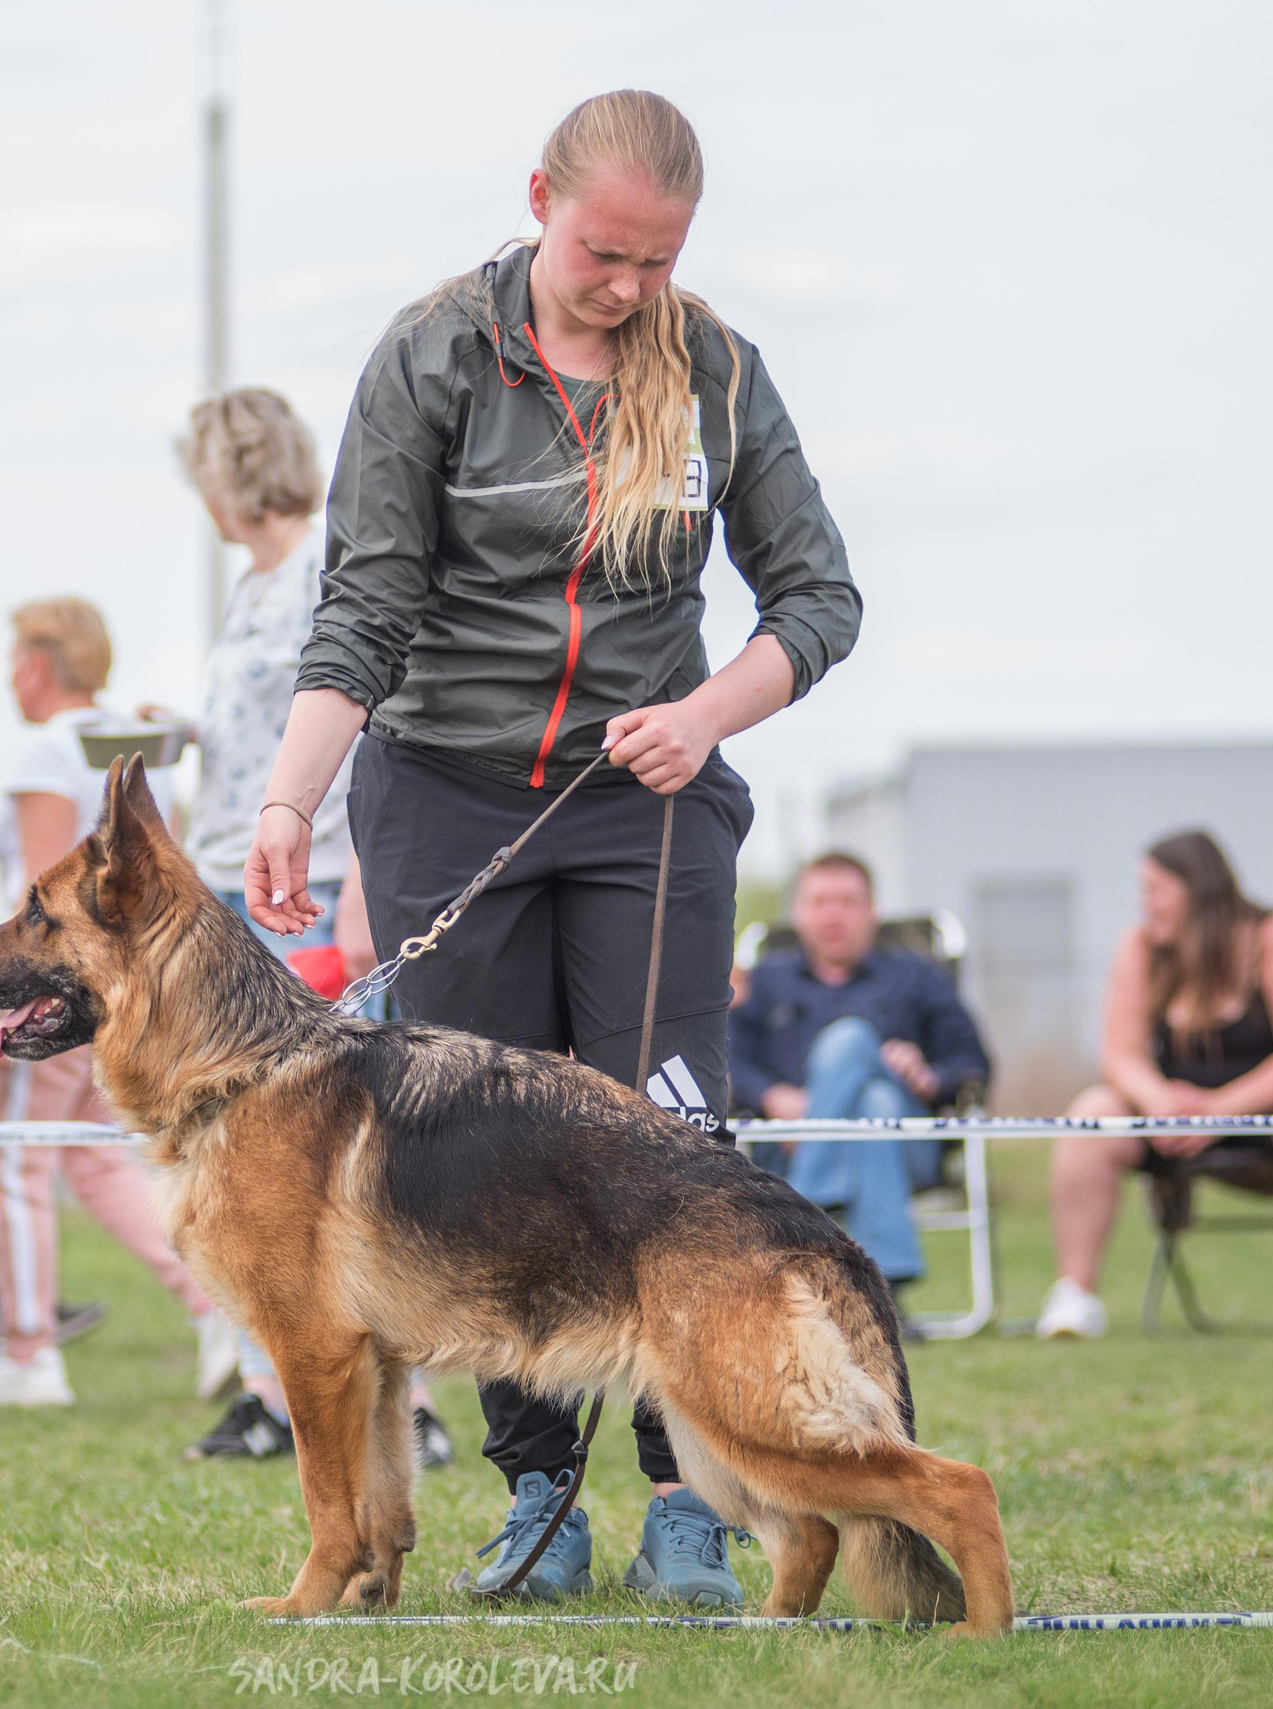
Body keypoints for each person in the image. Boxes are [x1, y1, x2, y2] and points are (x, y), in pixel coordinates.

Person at [245, 92, 862, 1607]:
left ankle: (691, 1503)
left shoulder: (718, 370)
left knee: (674, 1149)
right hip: (446, 798)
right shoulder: (432, 356)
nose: (630, 289)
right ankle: (535, 1499)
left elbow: (819, 602)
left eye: (658, 261)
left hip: (649, 805)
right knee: (478, 1173)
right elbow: (366, 608)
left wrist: (707, 715)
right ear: (540, 202)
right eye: (604, 253)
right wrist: (285, 801)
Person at [169, 387, 450, 1467]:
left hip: (316, 881)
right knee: (242, 1159)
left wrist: (368, 889)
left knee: (335, 1162)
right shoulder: (252, 587)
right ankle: (264, 1387)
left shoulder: (323, 572)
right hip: (236, 884)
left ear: (226, 471)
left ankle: (404, 1402)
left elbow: (372, 718)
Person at [0, 598, 222, 1410]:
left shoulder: (45, 748)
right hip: (125, 987)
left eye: (13, 660)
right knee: (98, 1158)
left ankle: (29, 1350)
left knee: (12, 1158)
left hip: (56, 985)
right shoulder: (139, 753)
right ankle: (210, 1302)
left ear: (36, 664)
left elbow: (42, 906)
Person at [1035, 830, 1273, 1345]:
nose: (1145, 905)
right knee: (1092, 1109)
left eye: (1155, 890)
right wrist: (1161, 1103)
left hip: (1271, 1111)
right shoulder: (1140, 948)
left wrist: (1218, 1110)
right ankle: (1074, 1297)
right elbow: (1119, 1053)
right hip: (1173, 1120)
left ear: (1197, 890)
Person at [729, 851, 990, 1300]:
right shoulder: (765, 982)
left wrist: (927, 1076)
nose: (833, 914)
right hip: (784, 1143)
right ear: (798, 913)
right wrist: (772, 1096)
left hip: (907, 1146)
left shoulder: (916, 977)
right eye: (819, 901)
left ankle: (808, 1207)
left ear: (873, 912)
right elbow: (725, 1059)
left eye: (847, 901)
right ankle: (886, 1295)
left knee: (851, 1045)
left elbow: (972, 1061)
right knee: (874, 1104)